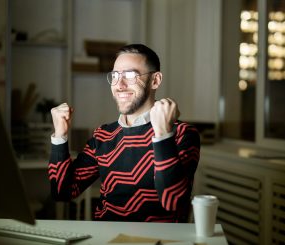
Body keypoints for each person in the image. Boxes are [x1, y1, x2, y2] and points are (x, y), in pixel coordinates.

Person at [48, 44, 200, 222]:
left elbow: (172, 201)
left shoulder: (182, 133)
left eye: (130, 75)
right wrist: (60, 135)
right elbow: (62, 192)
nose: (119, 85)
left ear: (155, 80)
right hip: (107, 238)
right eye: (115, 75)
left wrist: (162, 135)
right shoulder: (103, 135)